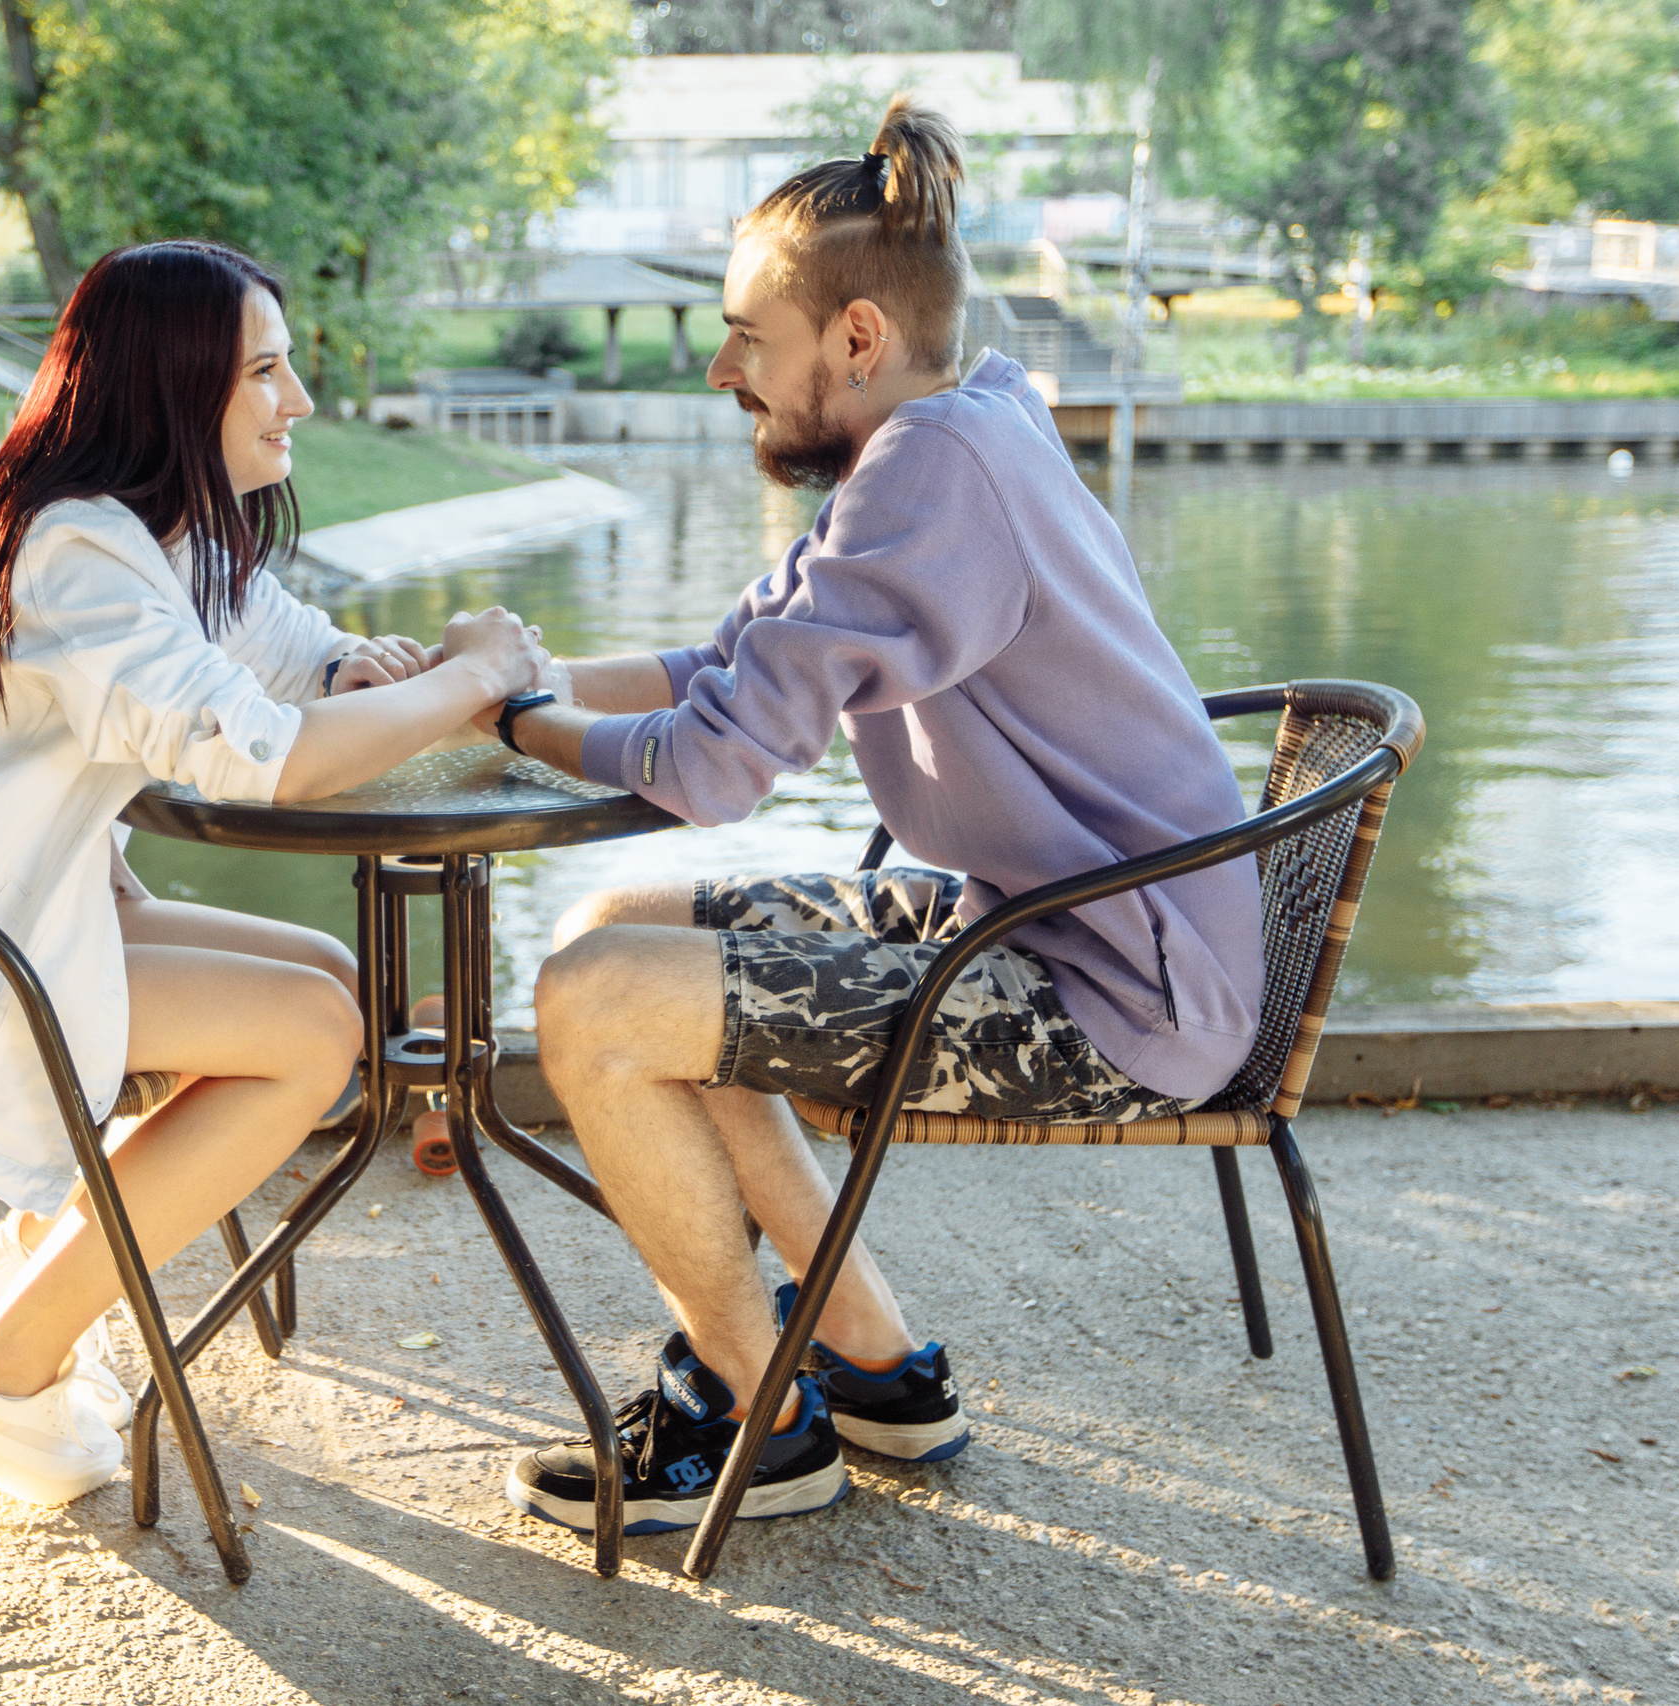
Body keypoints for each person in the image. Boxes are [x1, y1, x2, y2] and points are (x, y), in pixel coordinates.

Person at [488, 97, 1265, 1536]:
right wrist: (501, 677)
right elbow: (724, 664)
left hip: (1113, 989)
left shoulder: (932, 474)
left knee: (594, 1000)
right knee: (624, 930)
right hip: (1053, 924)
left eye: (746, 336)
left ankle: (757, 1422)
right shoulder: (953, 434)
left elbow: (713, 760)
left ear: (855, 339)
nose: (722, 369)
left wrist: (507, 725)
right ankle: (876, 1370)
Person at [0, 240, 552, 1506]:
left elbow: (289, 662)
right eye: (266, 370)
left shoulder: (155, 538)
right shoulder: (73, 545)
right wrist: (475, 680)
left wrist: (377, 673)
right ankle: (0, 1371)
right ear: (174, 387)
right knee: (316, 1034)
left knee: (327, 973)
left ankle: (37, 1258)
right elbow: (251, 757)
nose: (299, 400)